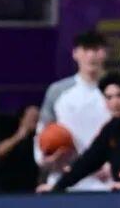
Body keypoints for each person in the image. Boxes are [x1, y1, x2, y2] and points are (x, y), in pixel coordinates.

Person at [35, 31, 113, 192]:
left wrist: (117, 164)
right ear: (75, 53)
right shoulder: (58, 91)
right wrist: (47, 159)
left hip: (107, 182)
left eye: (96, 49)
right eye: (85, 49)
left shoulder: (117, 92)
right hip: (65, 181)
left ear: (105, 53)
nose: (91, 55)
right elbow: (42, 131)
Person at [48, 72, 120, 193]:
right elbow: (87, 162)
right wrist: (56, 188)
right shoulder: (111, 129)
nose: (115, 102)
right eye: (109, 97)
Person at [0, 106, 41, 193]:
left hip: (31, 186)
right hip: (8, 184)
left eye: (37, 118)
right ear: (22, 119)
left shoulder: (40, 136)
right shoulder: (8, 130)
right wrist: (19, 136)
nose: (34, 121)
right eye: (31, 117)